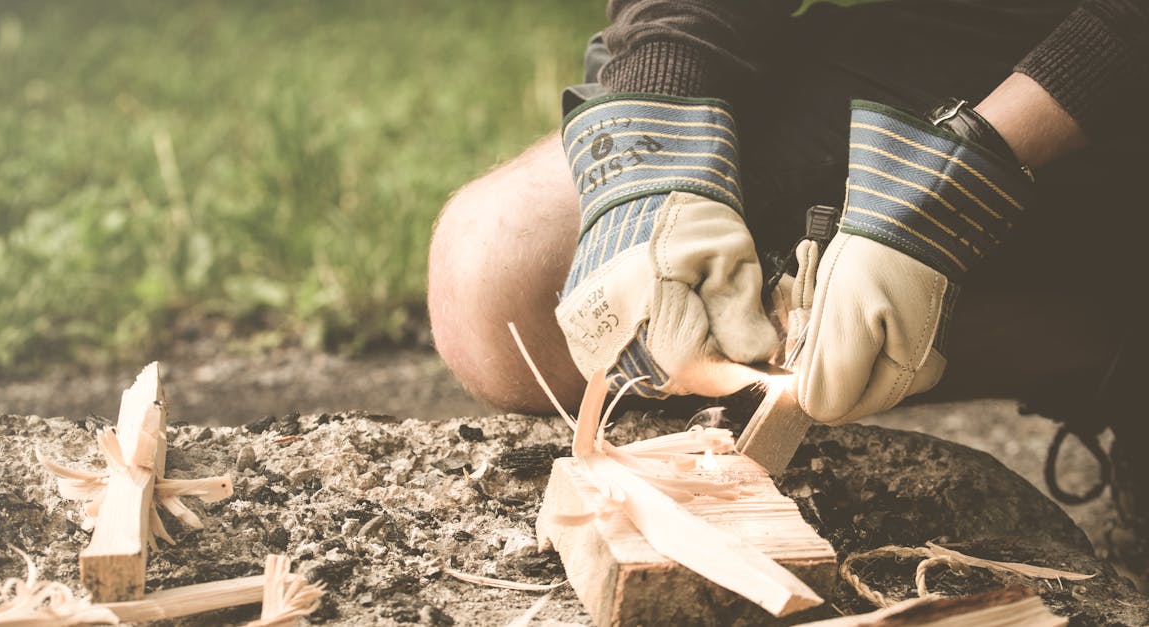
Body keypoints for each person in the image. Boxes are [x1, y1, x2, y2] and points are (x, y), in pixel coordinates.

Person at [429, 0, 1147, 579]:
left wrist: (972, 169)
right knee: (497, 273)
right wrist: (653, 136)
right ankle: (1094, 342)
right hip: (962, 33)